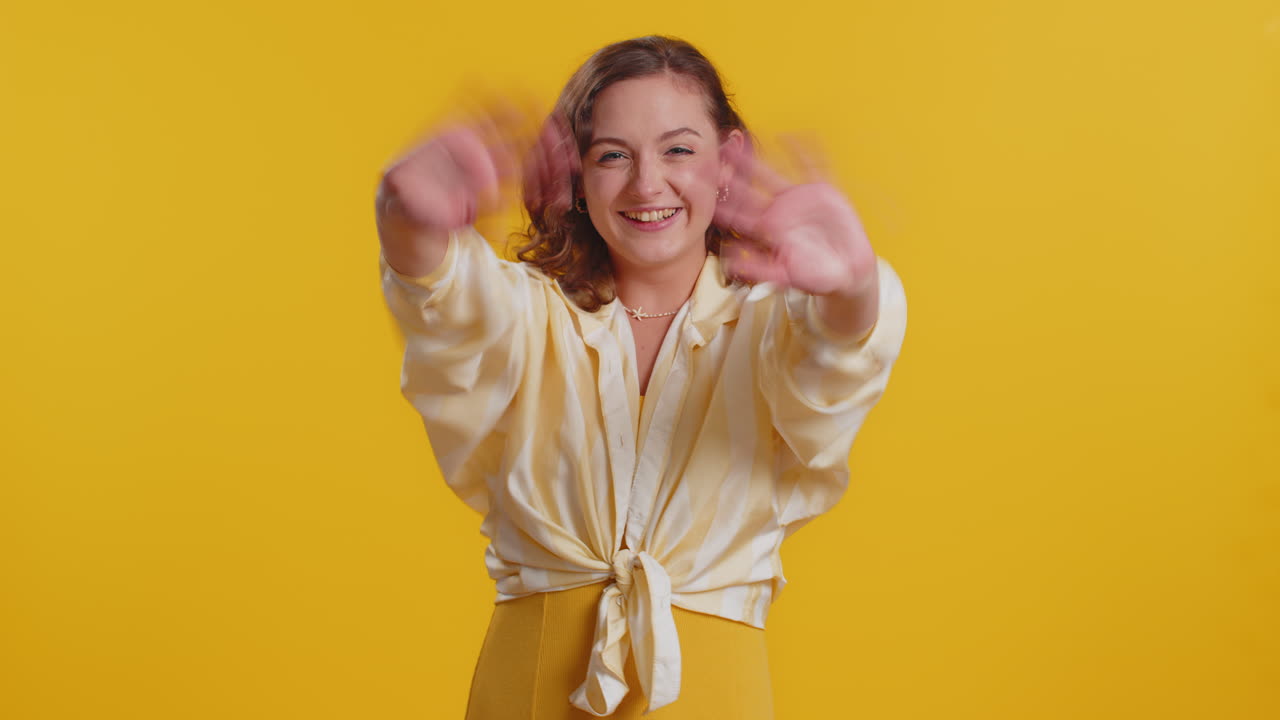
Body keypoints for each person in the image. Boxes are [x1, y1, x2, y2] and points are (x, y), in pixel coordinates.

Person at [376, 35, 908, 719]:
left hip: (715, 695)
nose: (646, 184)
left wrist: (853, 285)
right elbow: (443, 301)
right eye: (611, 156)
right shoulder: (525, 316)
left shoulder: (773, 325)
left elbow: (837, 359)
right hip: (532, 689)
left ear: (729, 161)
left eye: (678, 149)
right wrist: (403, 214)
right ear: (575, 173)